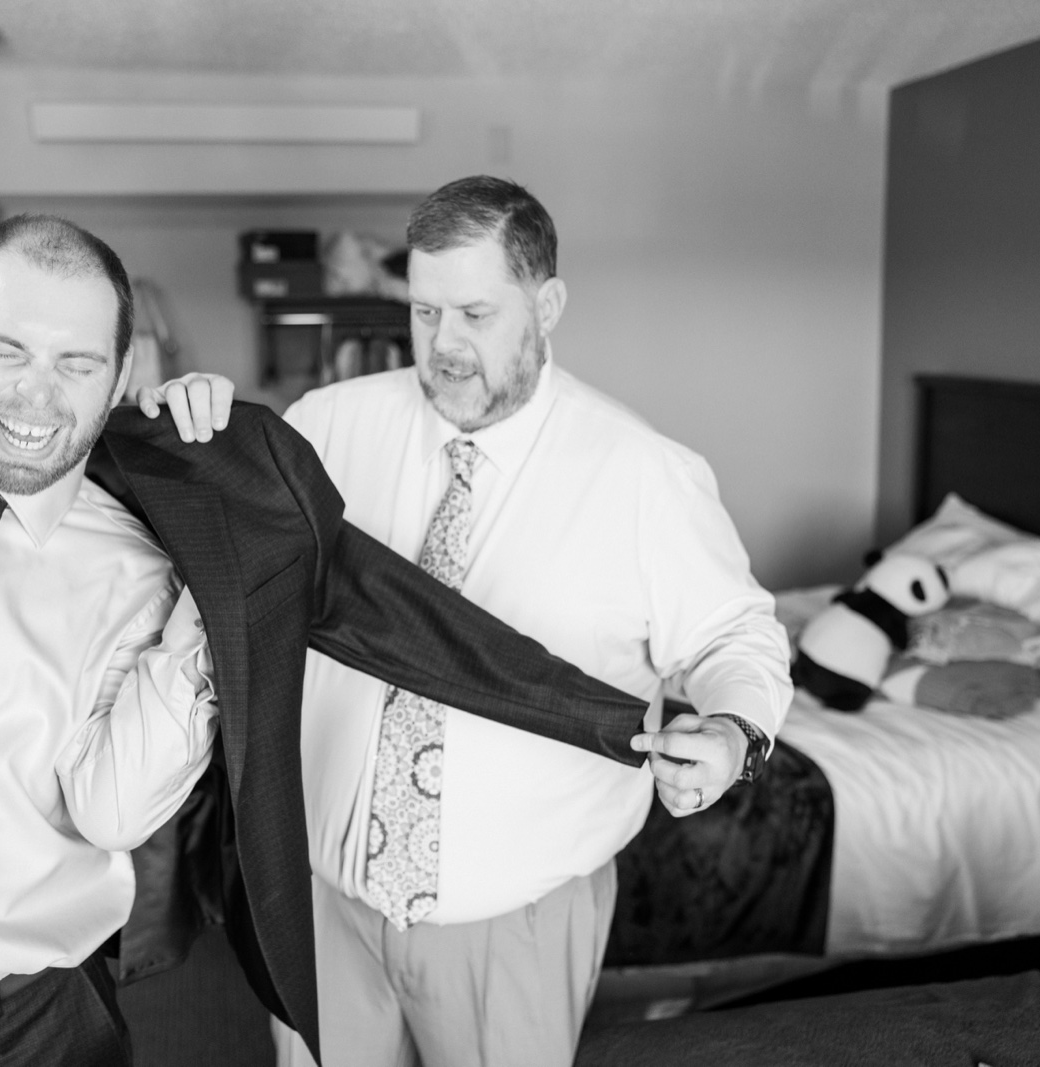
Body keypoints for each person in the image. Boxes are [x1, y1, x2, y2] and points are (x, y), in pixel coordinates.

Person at [0, 213, 652, 1066]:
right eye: (6, 350)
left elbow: (121, 799)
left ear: (124, 372)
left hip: (20, 1033)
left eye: (77, 362)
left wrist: (625, 725)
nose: (35, 398)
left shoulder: (151, 542)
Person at [149, 176, 792, 1067]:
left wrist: (728, 729)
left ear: (548, 304)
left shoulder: (643, 474)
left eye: (476, 314)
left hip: (514, 927)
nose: (443, 346)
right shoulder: (328, 426)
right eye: (422, 312)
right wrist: (193, 435)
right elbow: (228, 567)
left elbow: (740, 638)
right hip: (324, 899)